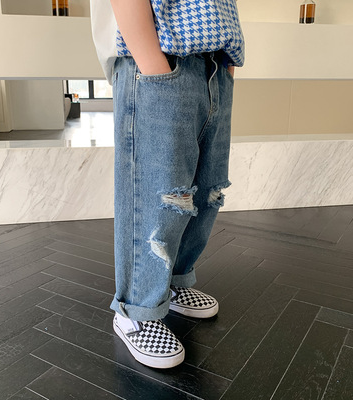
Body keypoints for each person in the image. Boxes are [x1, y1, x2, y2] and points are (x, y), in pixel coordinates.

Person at [90, 0, 245, 369]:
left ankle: (174, 281)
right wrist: (152, 62)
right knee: (156, 195)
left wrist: (225, 64)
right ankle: (135, 311)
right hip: (161, 58)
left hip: (213, 63)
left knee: (204, 190)